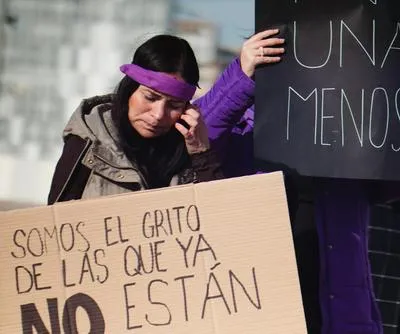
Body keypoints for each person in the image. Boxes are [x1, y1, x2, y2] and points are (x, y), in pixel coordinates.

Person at [202, 28, 400, 334]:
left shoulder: (356, 120)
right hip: (262, 308)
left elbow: (387, 184)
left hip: (340, 310)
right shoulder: (246, 116)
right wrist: (242, 73)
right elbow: (197, 139)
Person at [47, 32, 283, 204]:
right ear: (129, 89)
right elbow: (56, 219)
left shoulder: (189, 147)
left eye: (174, 105)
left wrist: (202, 155)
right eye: (150, 97)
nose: (158, 115)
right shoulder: (89, 136)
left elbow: (215, 216)